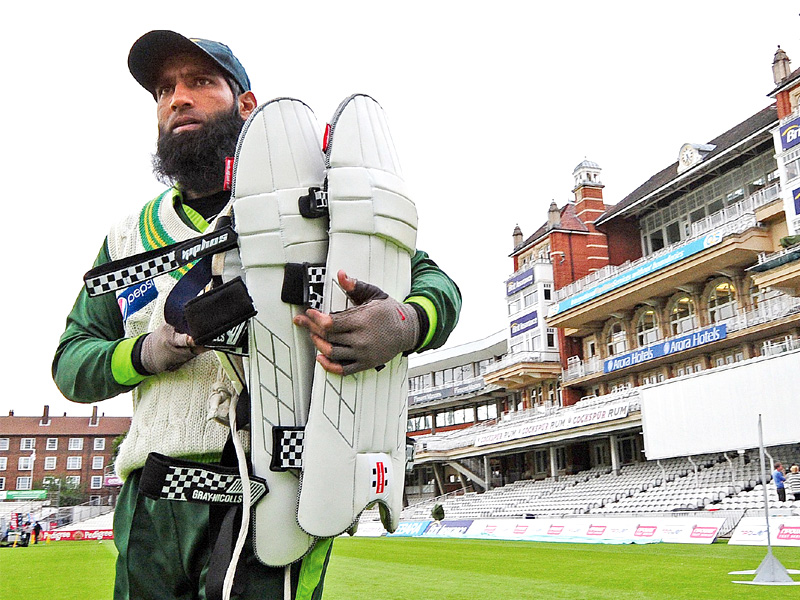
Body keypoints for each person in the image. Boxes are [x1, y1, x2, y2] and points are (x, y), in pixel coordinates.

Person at [52, 30, 461, 600]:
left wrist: (406, 323)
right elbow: (72, 364)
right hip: (151, 507)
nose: (178, 99)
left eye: (200, 82)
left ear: (247, 103)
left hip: (274, 489)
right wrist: (145, 352)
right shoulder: (125, 237)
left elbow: (437, 285)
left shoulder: (316, 207)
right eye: (164, 89)